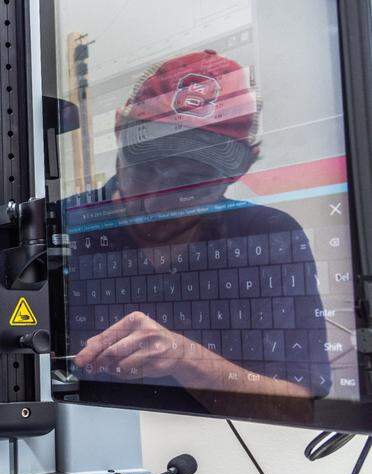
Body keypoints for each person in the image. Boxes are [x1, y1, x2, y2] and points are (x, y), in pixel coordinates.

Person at [66, 50, 330, 399]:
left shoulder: (269, 237)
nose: (155, 200)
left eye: (191, 183)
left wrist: (186, 358)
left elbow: (304, 400)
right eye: (145, 167)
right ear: (119, 130)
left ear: (243, 167)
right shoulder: (61, 231)